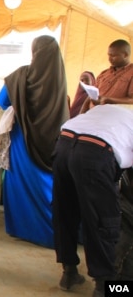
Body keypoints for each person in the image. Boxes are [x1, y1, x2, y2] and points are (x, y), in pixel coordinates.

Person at [0, 35, 69, 249]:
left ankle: (25, 229)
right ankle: (60, 232)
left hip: (23, 139)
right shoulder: (60, 78)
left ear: (34, 51)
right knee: (50, 186)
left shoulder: (21, 75)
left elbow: (2, 101)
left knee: (21, 184)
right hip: (53, 140)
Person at [52, 104, 133, 296]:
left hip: (63, 144)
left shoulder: (111, 111)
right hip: (95, 153)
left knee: (65, 212)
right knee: (102, 220)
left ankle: (69, 273)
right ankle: (104, 286)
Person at [81, 39, 133, 113]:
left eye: (113, 56)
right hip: (92, 116)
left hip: (113, 119)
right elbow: (90, 97)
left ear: (125, 55)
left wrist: (109, 100)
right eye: (109, 55)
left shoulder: (131, 73)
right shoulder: (104, 73)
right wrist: (80, 116)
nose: (109, 59)